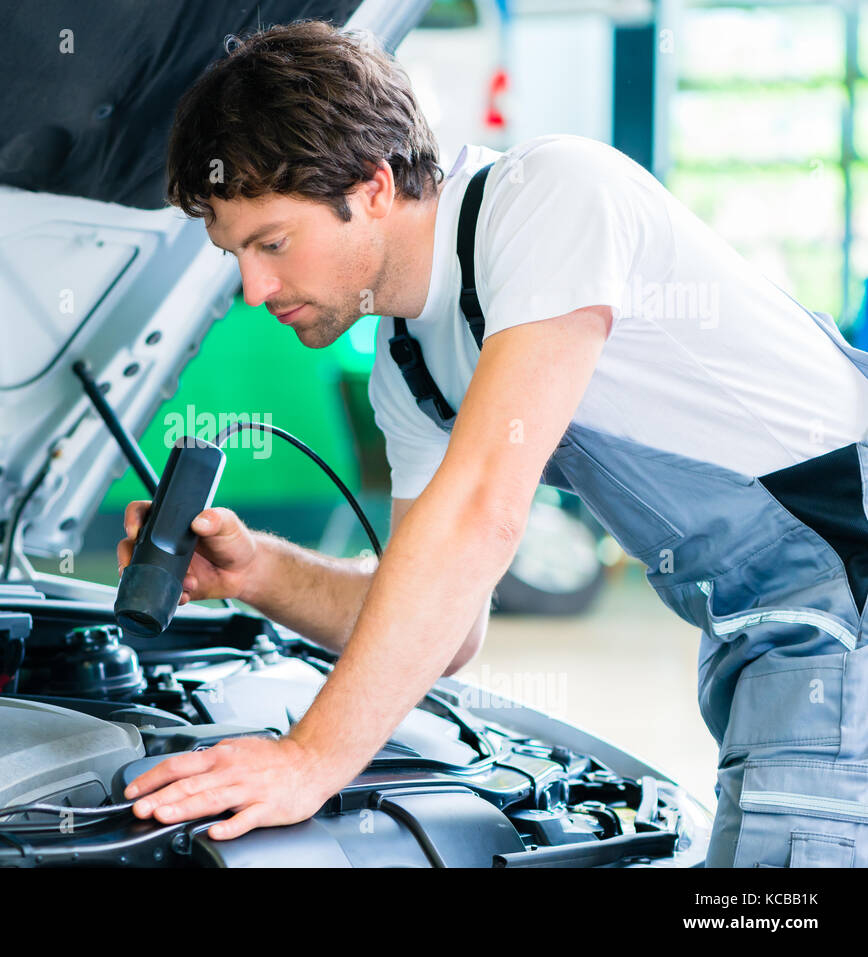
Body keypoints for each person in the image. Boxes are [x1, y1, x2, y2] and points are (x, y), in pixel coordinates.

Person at [116, 20, 868, 866]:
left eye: (273, 243)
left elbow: (482, 514)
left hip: (847, 592)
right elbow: (444, 626)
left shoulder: (549, 198)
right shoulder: (412, 372)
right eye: (235, 255)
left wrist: (310, 759)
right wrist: (257, 570)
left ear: (370, 187)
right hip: (769, 633)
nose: (254, 289)